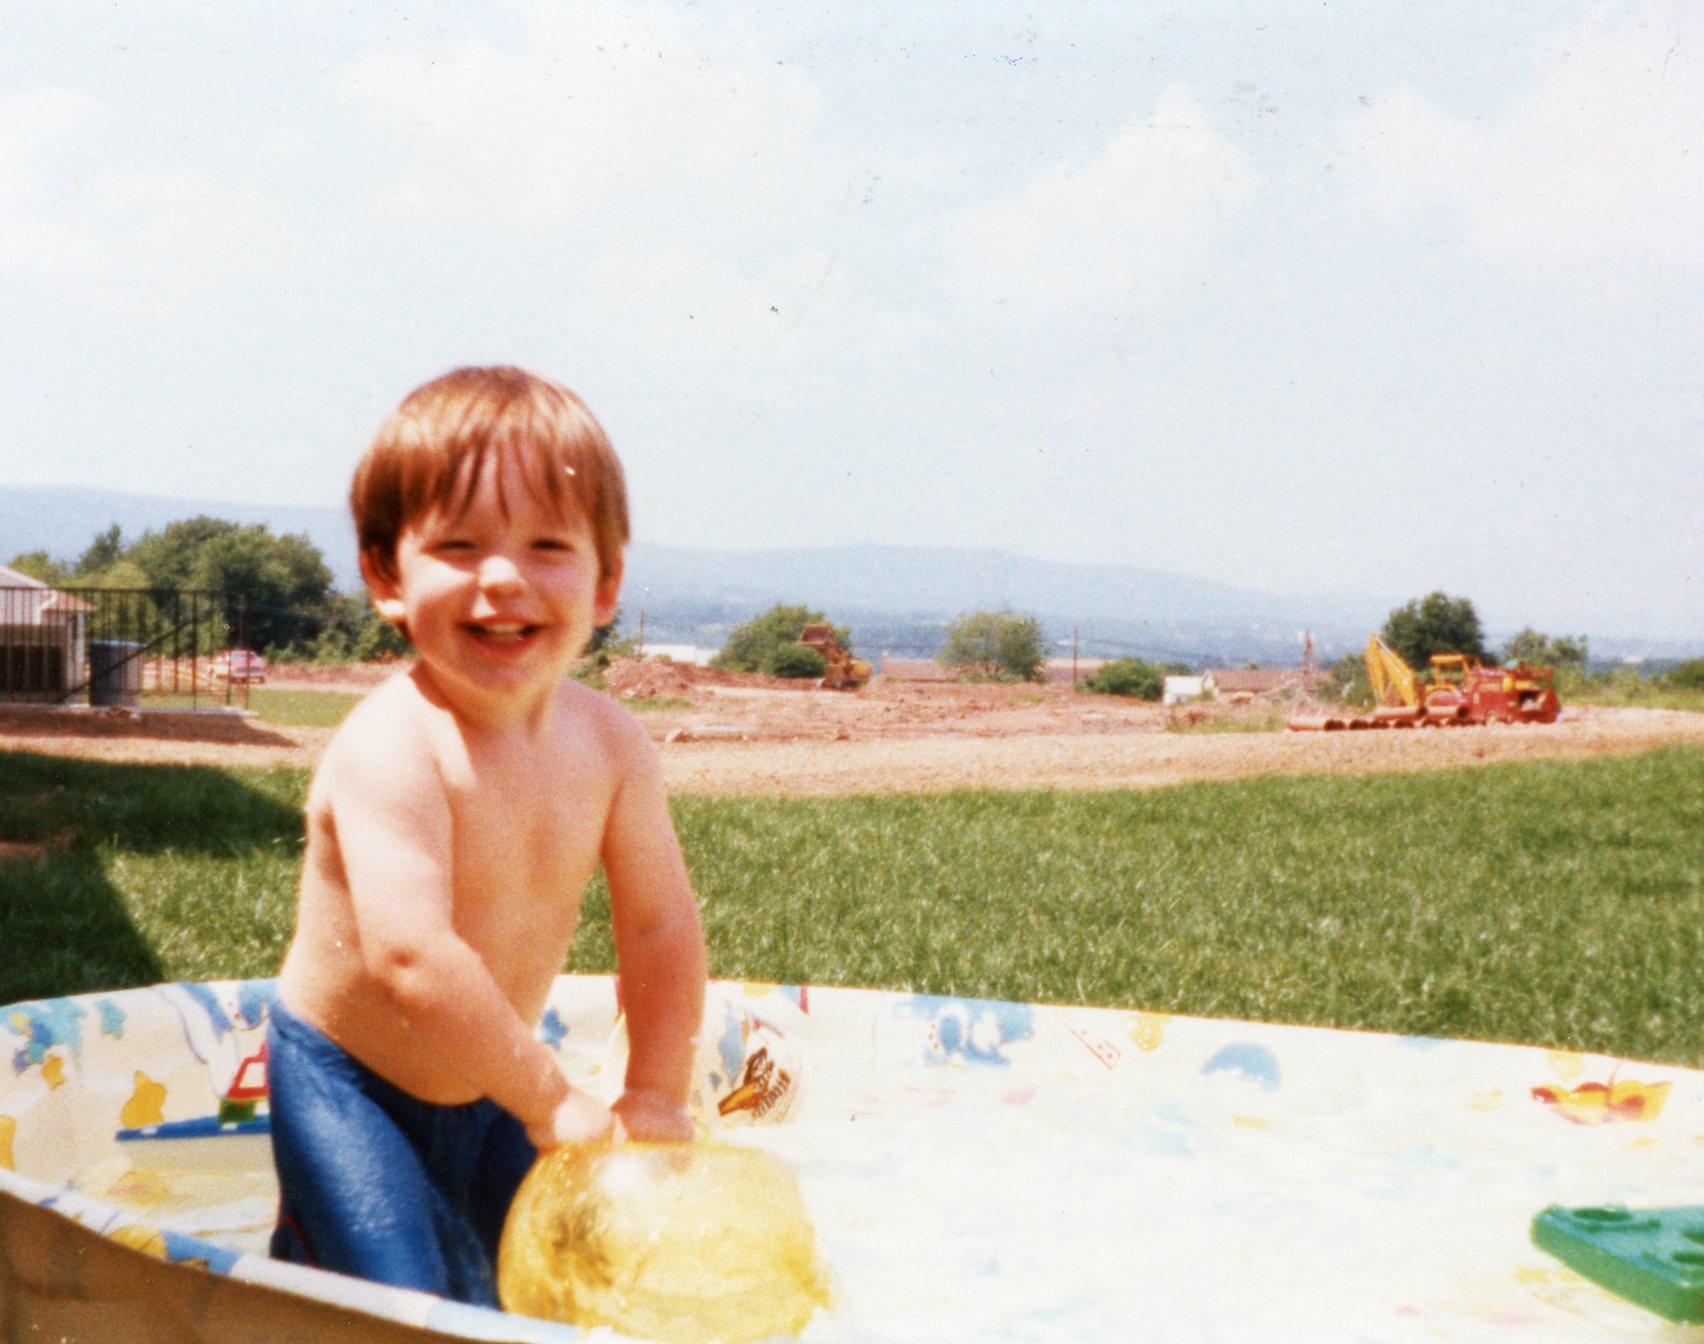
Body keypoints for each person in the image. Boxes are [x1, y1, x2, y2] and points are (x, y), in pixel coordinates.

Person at [267, 365, 708, 1306]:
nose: (503, 577)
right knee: (401, 1303)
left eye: (548, 545)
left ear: (605, 584)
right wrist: (552, 1100)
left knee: (546, 1288)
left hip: (491, 1082)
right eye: (459, 546)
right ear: (387, 577)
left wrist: (655, 1092)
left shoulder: (612, 745)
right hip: (350, 1084)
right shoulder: (396, 744)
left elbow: (661, 928)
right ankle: (300, 1264)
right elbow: (411, 956)